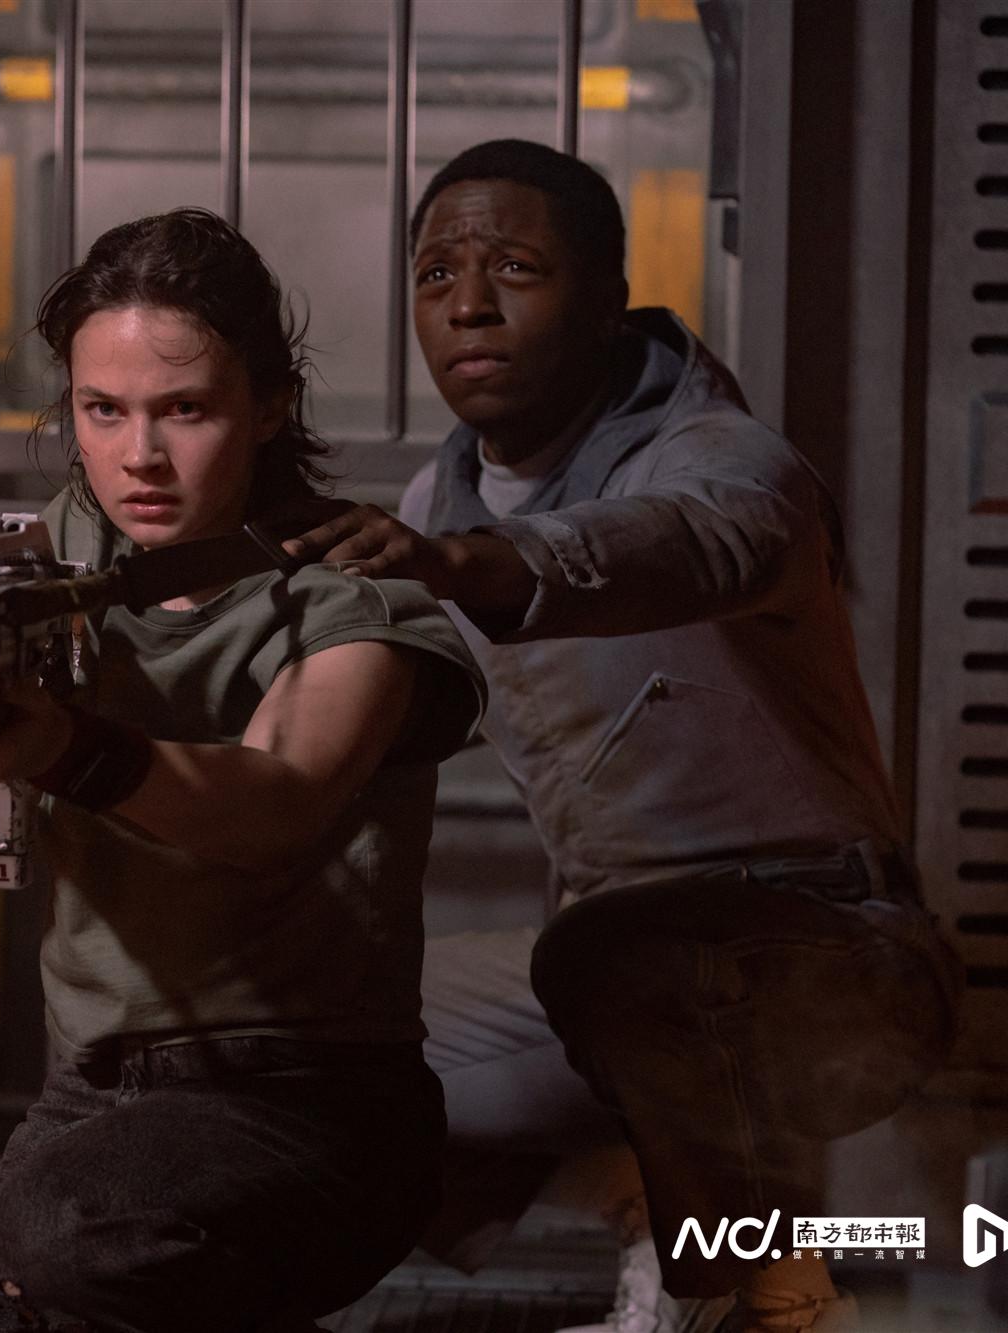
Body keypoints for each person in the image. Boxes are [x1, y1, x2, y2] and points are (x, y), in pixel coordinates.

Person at [286, 140, 963, 1333]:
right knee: (281, 1014)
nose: (467, 304)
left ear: (606, 301)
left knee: (622, 957)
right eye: (436, 274)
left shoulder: (721, 456)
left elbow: (696, 538)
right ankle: (644, 1204)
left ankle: (735, 1301)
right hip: (608, 969)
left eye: (513, 267)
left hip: (833, 952)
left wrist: (467, 566)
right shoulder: (439, 500)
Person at [0, 208, 486, 1333]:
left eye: (185, 409)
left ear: (268, 407)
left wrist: (62, 748)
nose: (140, 455)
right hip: (89, 1091)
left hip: (306, 1103)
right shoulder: (65, 554)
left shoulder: (349, 594)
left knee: (62, 1239)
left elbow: (276, 802)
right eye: (102, 410)